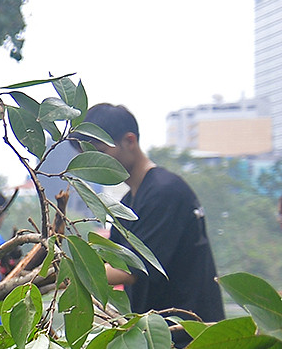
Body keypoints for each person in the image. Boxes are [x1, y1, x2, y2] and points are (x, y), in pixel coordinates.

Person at [80, 102, 224, 326]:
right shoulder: (127, 205)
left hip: (190, 336)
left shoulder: (164, 192)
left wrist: (74, 274)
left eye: (99, 153)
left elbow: (130, 269)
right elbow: (109, 260)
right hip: (156, 335)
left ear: (129, 141)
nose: (93, 164)